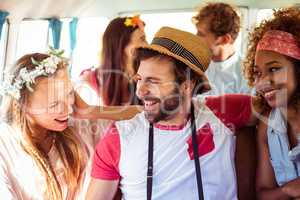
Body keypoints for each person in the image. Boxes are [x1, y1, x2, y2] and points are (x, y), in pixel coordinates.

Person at [86, 27, 256, 200]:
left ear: (187, 86)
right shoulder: (119, 137)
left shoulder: (221, 111)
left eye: (153, 81)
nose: (140, 91)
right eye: (139, 80)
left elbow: (275, 107)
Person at [0, 49, 140, 199]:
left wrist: (90, 110)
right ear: (23, 106)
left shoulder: (80, 126)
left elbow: (147, 117)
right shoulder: (5, 146)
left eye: (69, 94)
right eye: (54, 104)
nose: (68, 109)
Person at [243, 7, 300, 199]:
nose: (262, 82)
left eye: (274, 69)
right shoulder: (267, 124)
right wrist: (289, 189)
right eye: (258, 73)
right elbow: (262, 194)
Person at [78, 15, 147, 106]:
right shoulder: (90, 79)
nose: (147, 44)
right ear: (121, 44)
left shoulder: (145, 74)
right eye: (142, 39)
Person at [193, 2, 249, 95]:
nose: (195, 37)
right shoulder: (194, 66)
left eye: (201, 34)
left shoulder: (247, 75)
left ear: (224, 39)